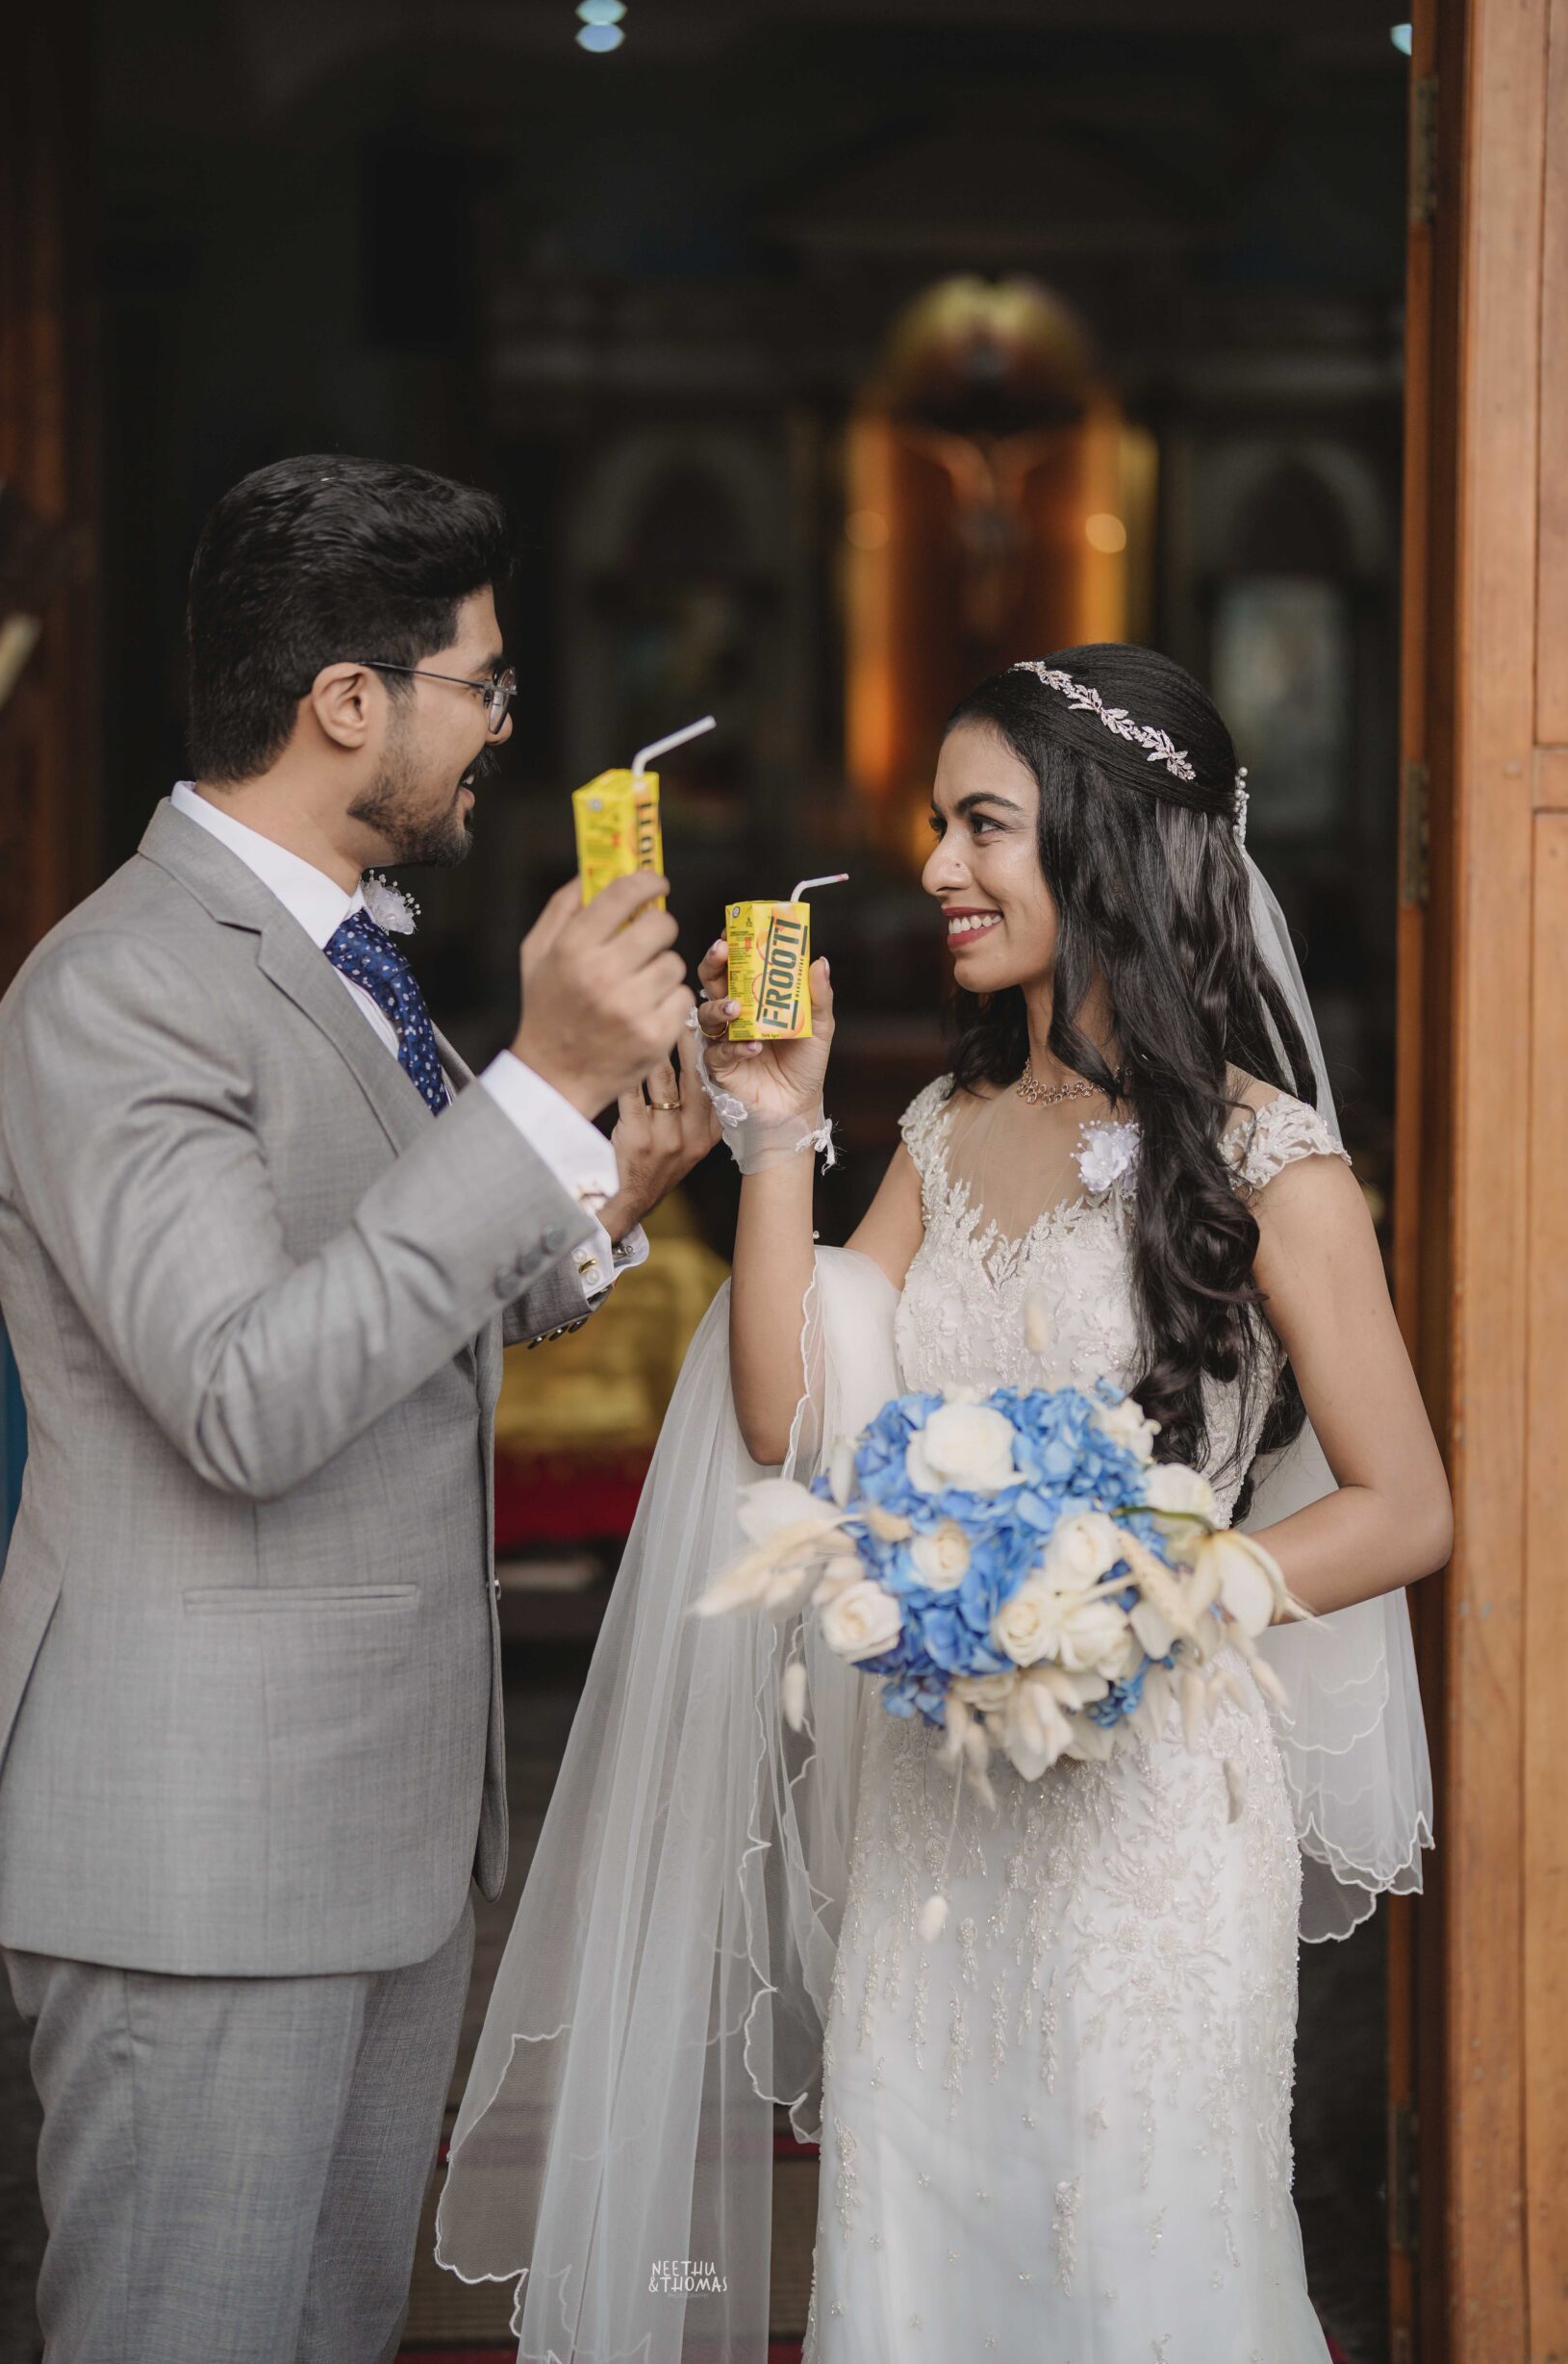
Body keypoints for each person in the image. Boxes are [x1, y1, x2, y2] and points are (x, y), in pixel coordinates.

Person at [437, 643, 1446, 2361]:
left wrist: (1152, 1595)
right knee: (919, 2251)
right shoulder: (943, 1124)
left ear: (1107, 839)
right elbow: (787, 1415)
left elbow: (1404, 1507)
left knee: (1136, 2259)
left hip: (1150, 1819)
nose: (933, 867)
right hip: (936, 1817)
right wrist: (775, 1136)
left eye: (981, 824)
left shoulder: (1271, 1163)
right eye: (935, 824)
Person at [0, 454, 715, 2364]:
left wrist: (616, 1172)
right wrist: (536, 1079)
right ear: (348, 701)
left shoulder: (345, 950)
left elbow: (409, 1285)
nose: (504, 725)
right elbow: (248, 1393)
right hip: (200, 1846)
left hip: (372, 1829)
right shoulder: (123, 988)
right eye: (484, 683)